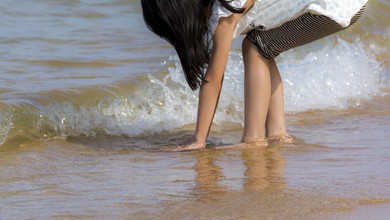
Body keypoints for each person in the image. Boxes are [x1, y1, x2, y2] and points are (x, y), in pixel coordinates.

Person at [141, 0, 367, 151]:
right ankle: (277, 133)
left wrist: (199, 139)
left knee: (256, 46)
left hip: (333, 6)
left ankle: (253, 138)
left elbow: (214, 79)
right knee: (262, 44)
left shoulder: (223, 11)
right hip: (346, 5)